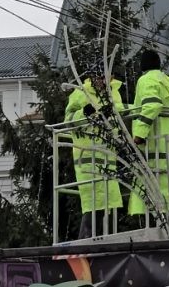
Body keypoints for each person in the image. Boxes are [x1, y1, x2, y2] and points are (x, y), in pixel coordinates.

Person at [128, 49, 169, 222]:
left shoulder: (146, 80)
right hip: (167, 149)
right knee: (165, 199)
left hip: (151, 146)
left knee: (149, 198)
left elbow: (151, 105)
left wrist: (138, 134)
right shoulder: (166, 81)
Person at [64, 74, 124, 238]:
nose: (106, 80)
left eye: (109, 77)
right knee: (93, 205)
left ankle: (97, 242)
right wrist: (84, 113)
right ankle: (86, 241)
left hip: (107, 159)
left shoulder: (113, 93)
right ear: (93, 77)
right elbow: (67, 121)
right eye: (102, 77)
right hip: (88, 159)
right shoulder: (80, 93)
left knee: (106, 206)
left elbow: (121, 112)